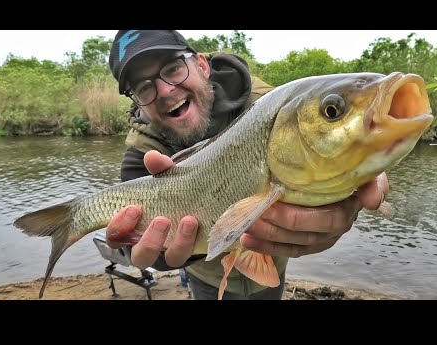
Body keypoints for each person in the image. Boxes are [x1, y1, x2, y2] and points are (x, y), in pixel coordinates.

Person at [106, 30, 389, 300]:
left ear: (202, 65)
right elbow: (139, 248)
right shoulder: (141, 154)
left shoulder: (271, 105)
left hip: (273, 267)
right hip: (206, 275)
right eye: (144, 88)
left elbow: (322, 130)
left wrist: (362, 167)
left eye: (172, 68)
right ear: (137, 103)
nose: (166, 90)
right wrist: (166, 254)